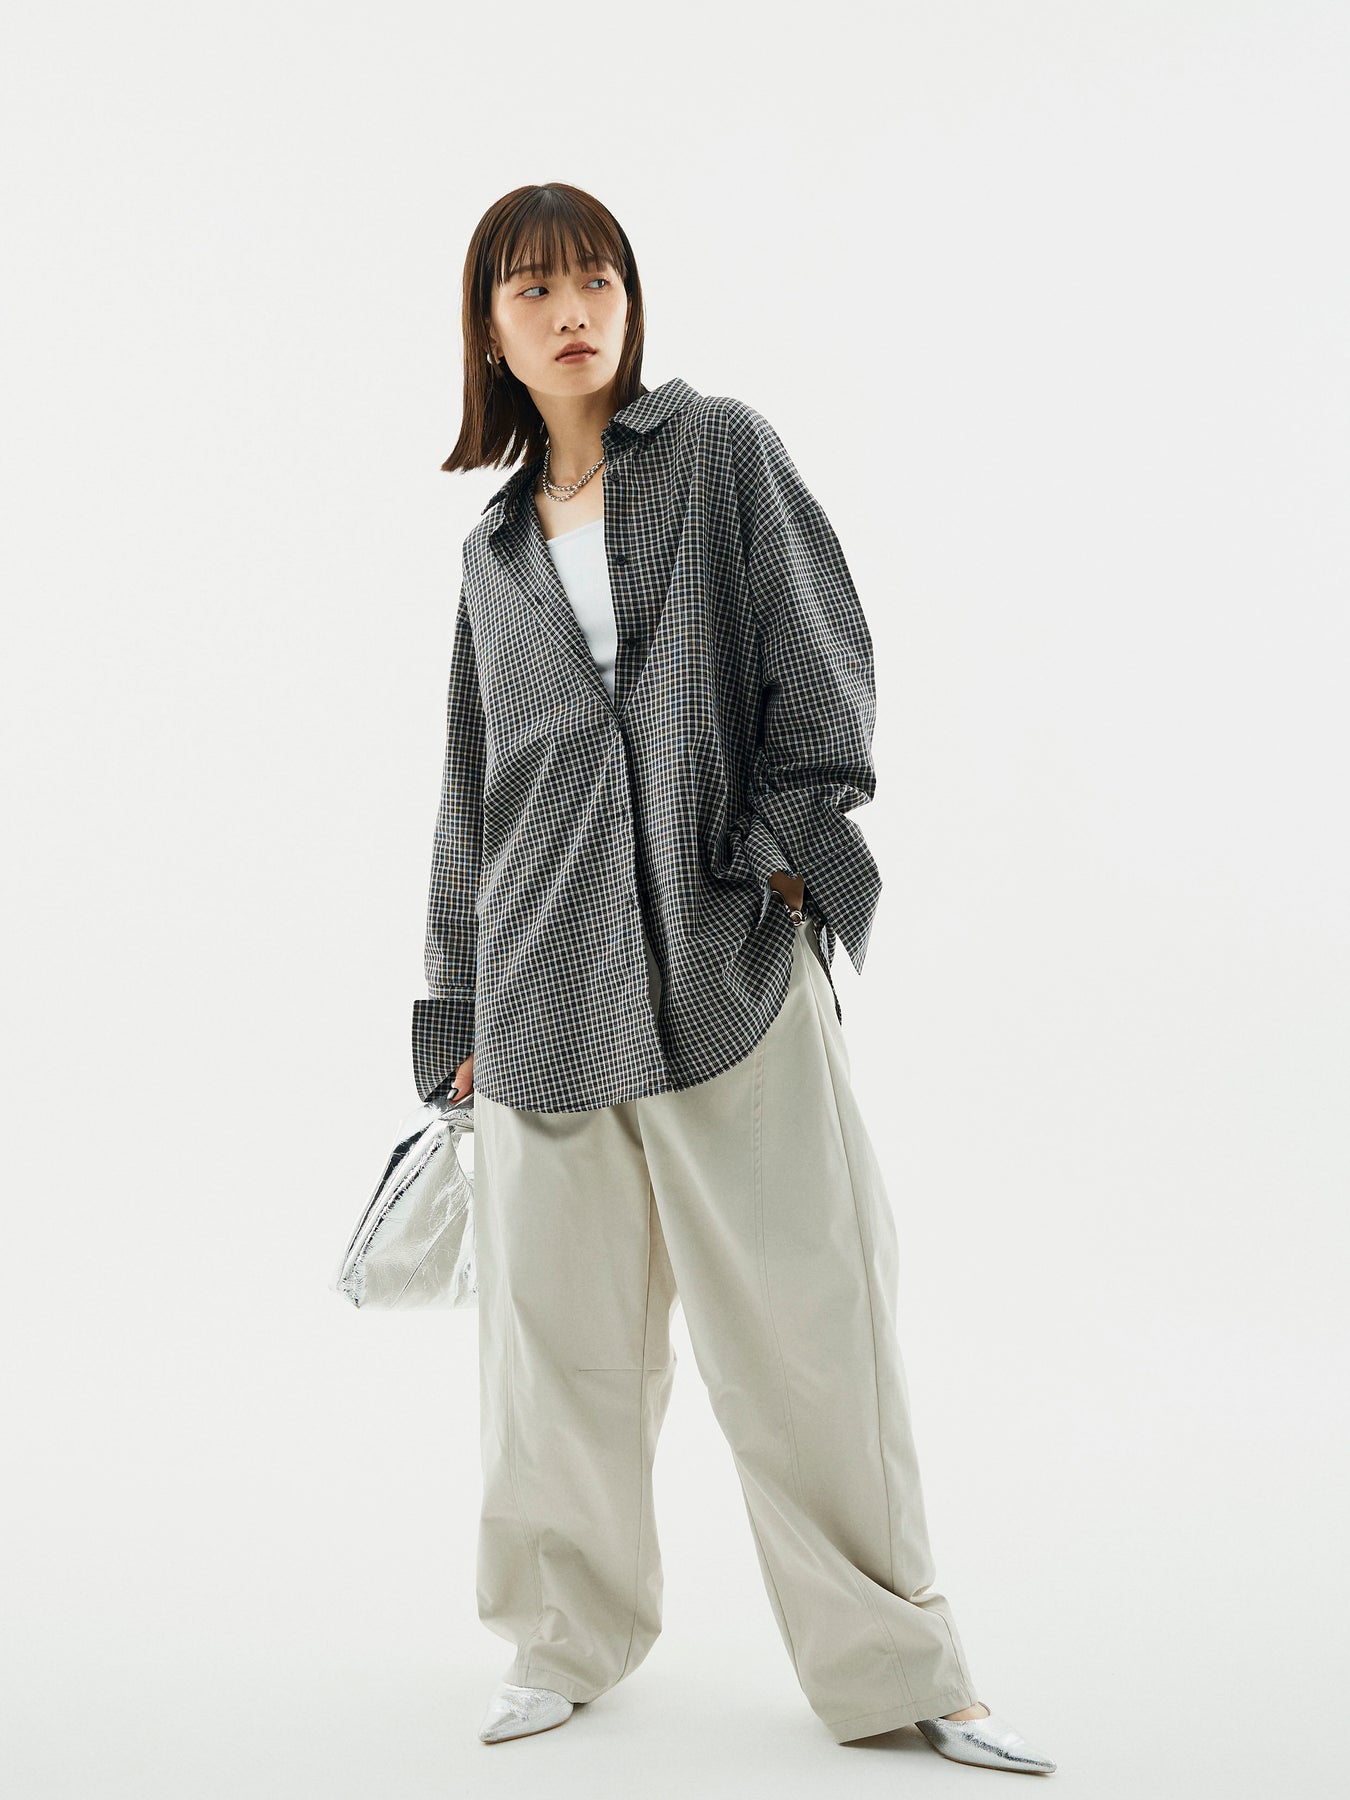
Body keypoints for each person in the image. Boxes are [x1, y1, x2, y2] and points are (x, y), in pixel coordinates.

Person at [414, 181, 1056, 1774]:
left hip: (727, 973)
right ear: (488, 332)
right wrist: (461, 1014)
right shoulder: (488, 555)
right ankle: (560, 1641)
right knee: (556, 1360)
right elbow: (470, 794)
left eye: (595, 278)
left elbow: (823, 671)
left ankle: (900, 1670)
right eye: (532, 290)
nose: (572, 311)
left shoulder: (717, 453)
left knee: (810, 1333)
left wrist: (775, 867)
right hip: (546, 992)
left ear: (630, 299)